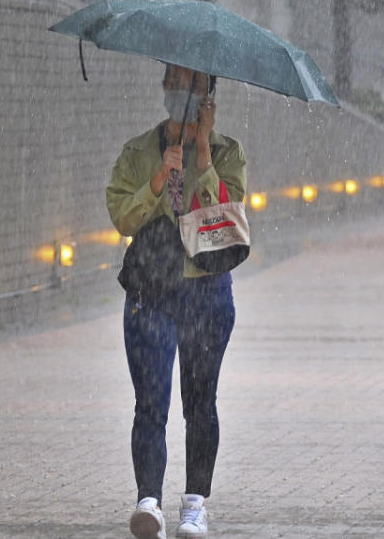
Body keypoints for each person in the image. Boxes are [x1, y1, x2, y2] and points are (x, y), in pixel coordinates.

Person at [106, 64, 247, 539]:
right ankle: (149, 502)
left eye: (192, 83)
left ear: (210, 93)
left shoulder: (229, 154)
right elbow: (122, 216)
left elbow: (226, 220)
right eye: (173, 80)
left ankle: (194, 505)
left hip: (206, 295)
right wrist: (158, 178)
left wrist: (202, 154)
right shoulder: (139, 151)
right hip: (151, 293)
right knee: (151, 403)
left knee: (200, 403)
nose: (180, 92)